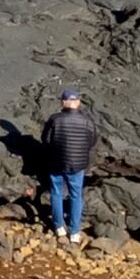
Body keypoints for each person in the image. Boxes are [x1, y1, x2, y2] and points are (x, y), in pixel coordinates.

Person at [38, 91, 100, 244]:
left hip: (57, 162)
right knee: (75, 195)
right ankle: (75, 232)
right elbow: (92, 141)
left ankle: (59, 227)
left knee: (56, 193)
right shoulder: (87, 121)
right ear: (78, 102)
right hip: (78, 164)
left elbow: (45, 140)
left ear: (63, 102)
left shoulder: (55, 119)